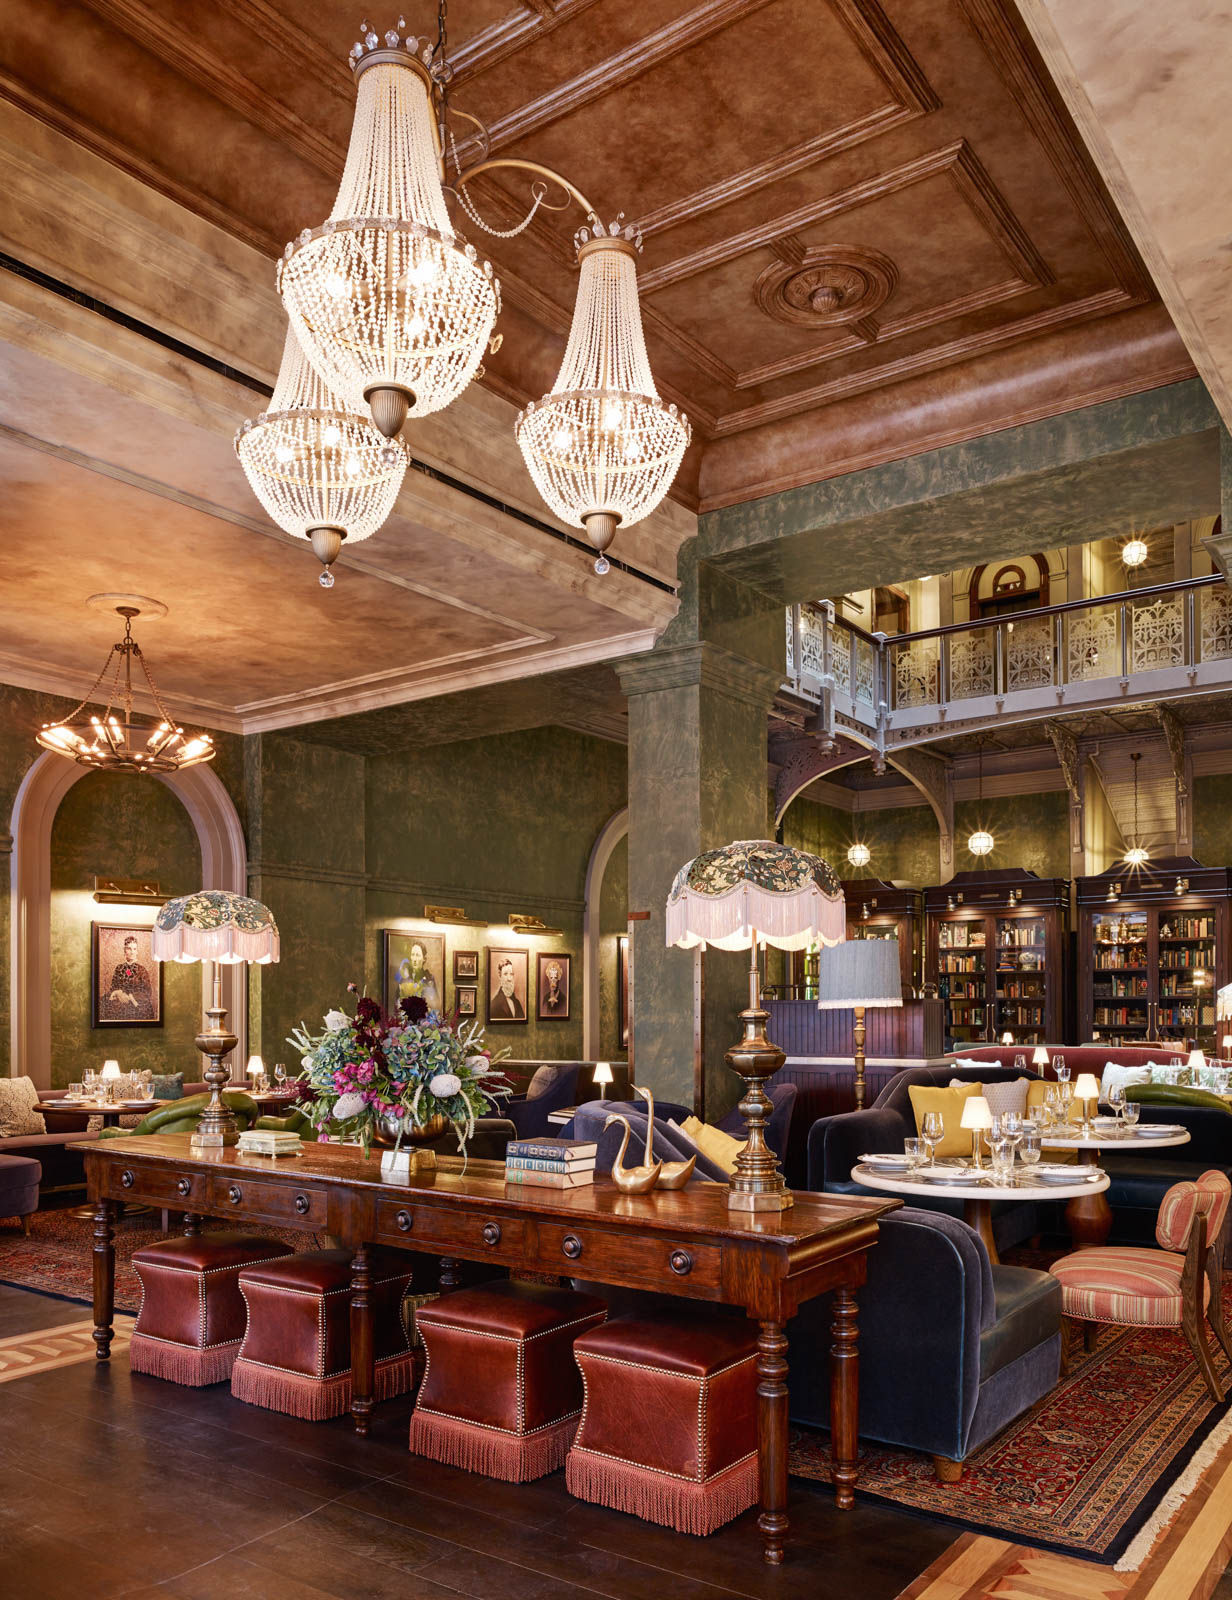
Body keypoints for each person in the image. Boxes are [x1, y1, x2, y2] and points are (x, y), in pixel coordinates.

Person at [103, 935, 155, 1021]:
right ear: (124, 951)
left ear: (137, 951)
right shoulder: (119, 968)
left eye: (134, 949)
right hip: (119, 1002)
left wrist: (130, 997)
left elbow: (147, 992)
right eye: (129, 949)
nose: (132, 952)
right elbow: (113, 987)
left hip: (136, 1004)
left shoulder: (142, 970)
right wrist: (118, 993)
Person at [396, 943, 439, 1008]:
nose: (414, 959)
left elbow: (435, 1004)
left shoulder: (429, 979)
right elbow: (397, 1002)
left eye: (418, 955)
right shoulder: (404, 979)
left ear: (424, 959)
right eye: (413, 955)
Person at [489, 955, 525, 1020]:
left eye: (511, 974)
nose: (509, 978)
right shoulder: (494, 1004)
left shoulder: (517, 1003)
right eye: (505, 974)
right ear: (500, 976)